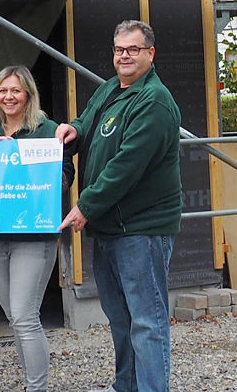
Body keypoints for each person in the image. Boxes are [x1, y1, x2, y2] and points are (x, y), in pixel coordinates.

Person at [56, 20, 182, 392]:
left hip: (141, 230)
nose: (124, 56)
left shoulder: (154, 101)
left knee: (147, 320)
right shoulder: (112, 88)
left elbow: (127, 165)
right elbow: (90, 118)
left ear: (150, 54)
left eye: (133, 49)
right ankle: (125, 385)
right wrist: (75, 129)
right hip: (112, 228)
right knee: (121, 318)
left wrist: (85, 206)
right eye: (119, 49)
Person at [0, 65, 75, 392]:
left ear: (29, 95)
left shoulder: (48, 131)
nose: (9, 97)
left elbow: (64, 179)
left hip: (34, 237)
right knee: (16, 319)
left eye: (15, 90)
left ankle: (36, 388)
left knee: (23, 317)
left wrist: (19, 161)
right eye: (3, 91)